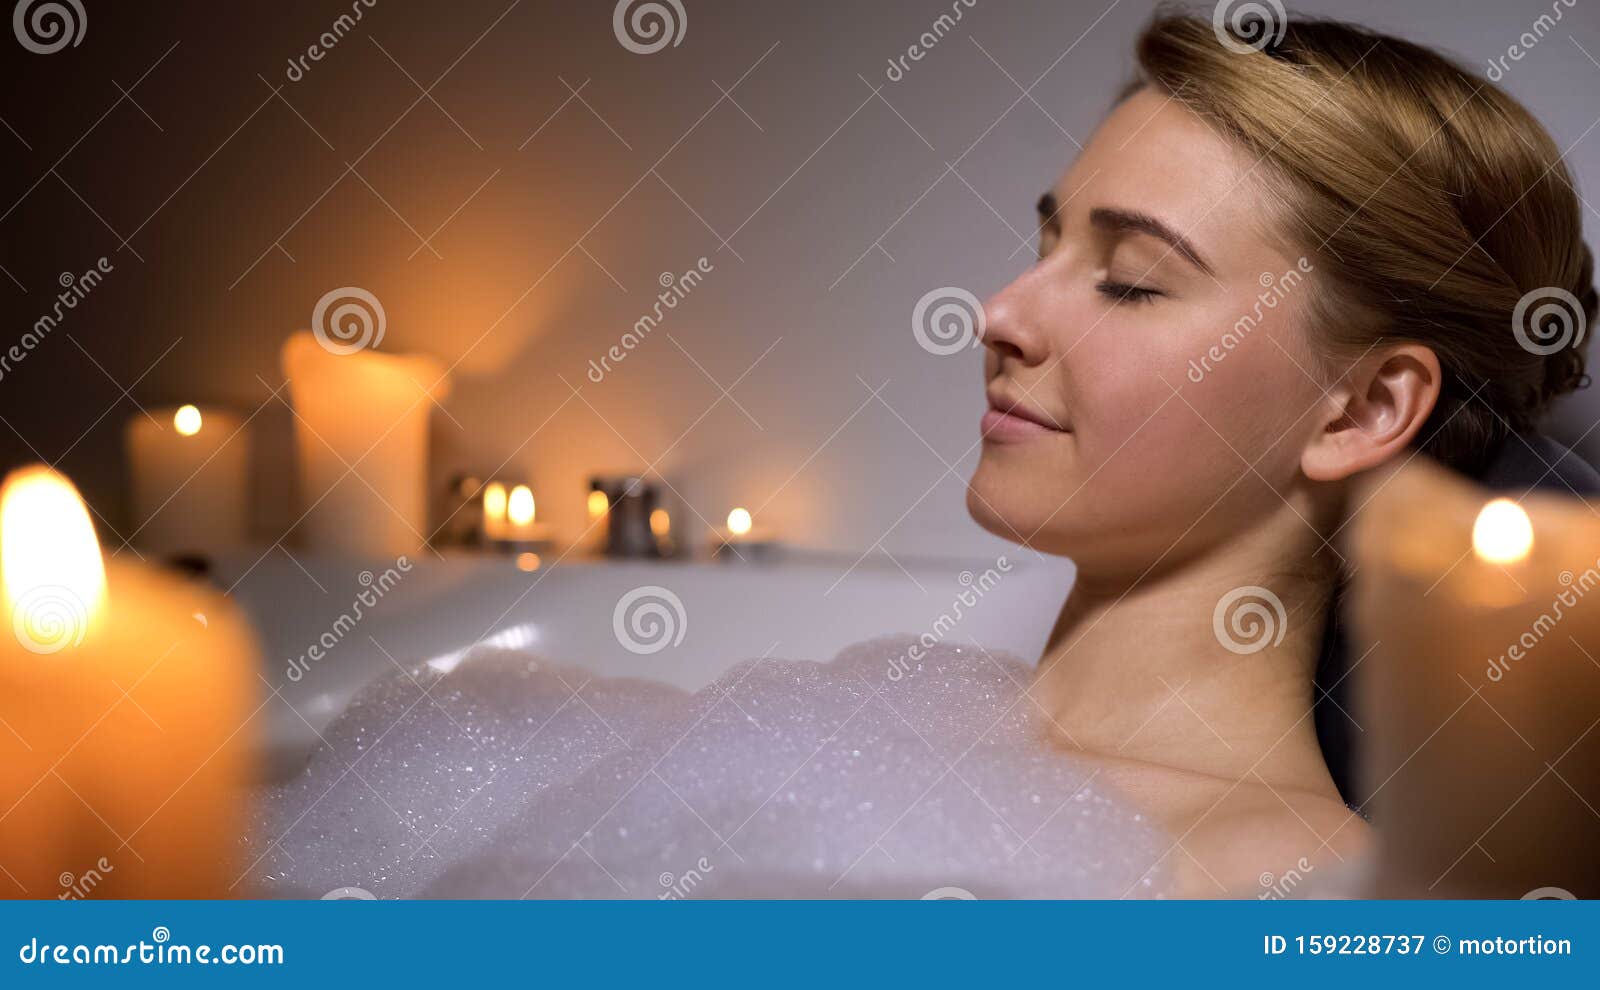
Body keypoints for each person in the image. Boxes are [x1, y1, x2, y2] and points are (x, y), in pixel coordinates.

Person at [966, 8, 1595, 896]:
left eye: (1133, 283)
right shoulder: (889, 731)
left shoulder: (1275, 888)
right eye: (1046, 247)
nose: (999, 314)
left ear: (1363, 411)